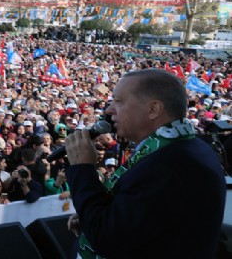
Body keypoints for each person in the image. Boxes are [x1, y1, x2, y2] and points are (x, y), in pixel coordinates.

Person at [65, 69, 226, 258]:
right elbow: (145, 219)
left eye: (119, 102)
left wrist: (83, 169)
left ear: (153, 109)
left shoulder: (169, 165)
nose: (109, 110)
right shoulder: (185, 148)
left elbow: (107, 239)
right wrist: (93, 213)